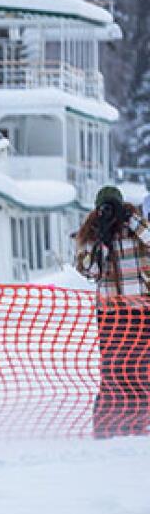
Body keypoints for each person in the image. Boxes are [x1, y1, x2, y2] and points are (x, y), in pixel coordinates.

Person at [73, 186, 150, 438]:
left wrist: (132, 220)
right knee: (113, 369)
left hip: (141, 309)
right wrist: (102, 242)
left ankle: (139, 424)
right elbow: (89, 272)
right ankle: (109, 426)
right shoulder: (92, 232)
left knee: (141, 368)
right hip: (110, 313)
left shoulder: (136, 226)